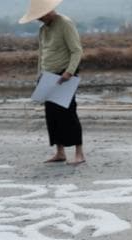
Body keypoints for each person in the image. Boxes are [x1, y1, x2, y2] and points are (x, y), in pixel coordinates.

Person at [19, 0, 85, 165]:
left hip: (65, 76)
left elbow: (76, 50)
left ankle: (79, 152)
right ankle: (60, 152)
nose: (38, 20)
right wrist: (39, 76)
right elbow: (42, 54)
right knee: (52, 115)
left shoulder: (65, 24)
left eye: (39, 16)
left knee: (69, 113)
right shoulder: (42, 29)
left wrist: (69, 72)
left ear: (47, 12)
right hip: (47, 76)